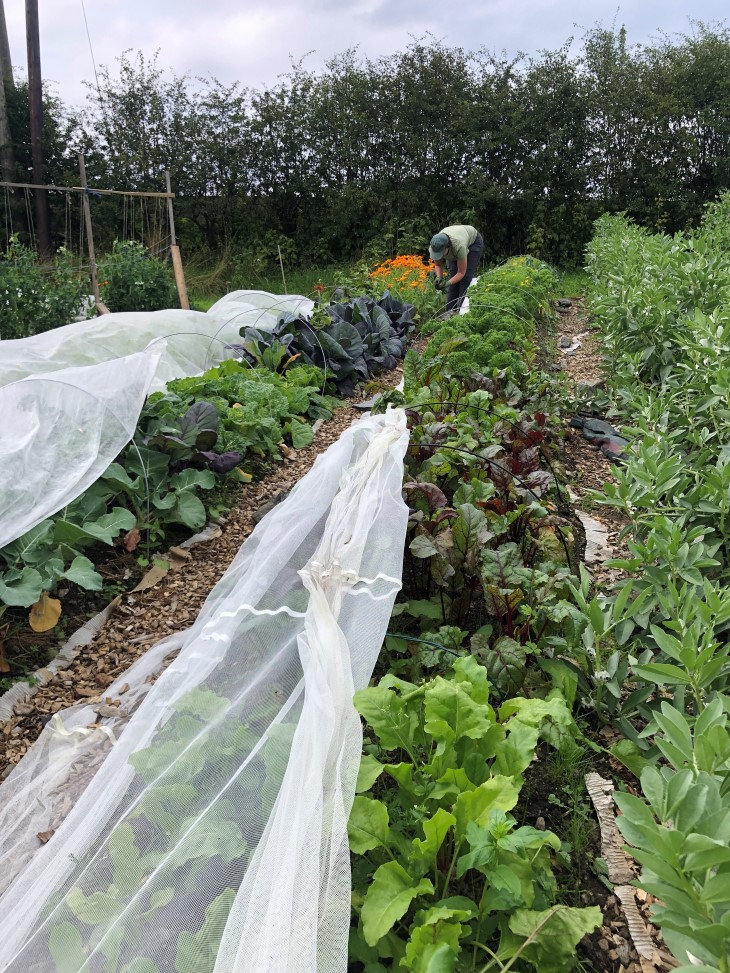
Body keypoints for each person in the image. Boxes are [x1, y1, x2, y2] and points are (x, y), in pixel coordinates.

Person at [429, 224, 484, 314]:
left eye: (441, 254)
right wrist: (439, 277)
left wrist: (446, 283)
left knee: (465, 278)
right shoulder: (435, 247)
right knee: (453, 275)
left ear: (448, 247)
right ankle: (450, 312)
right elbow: (438, 265)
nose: (440, 256)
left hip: (473, 242)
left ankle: (462, 312)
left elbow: (461, 273)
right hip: (456, 240)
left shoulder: (459, 246)